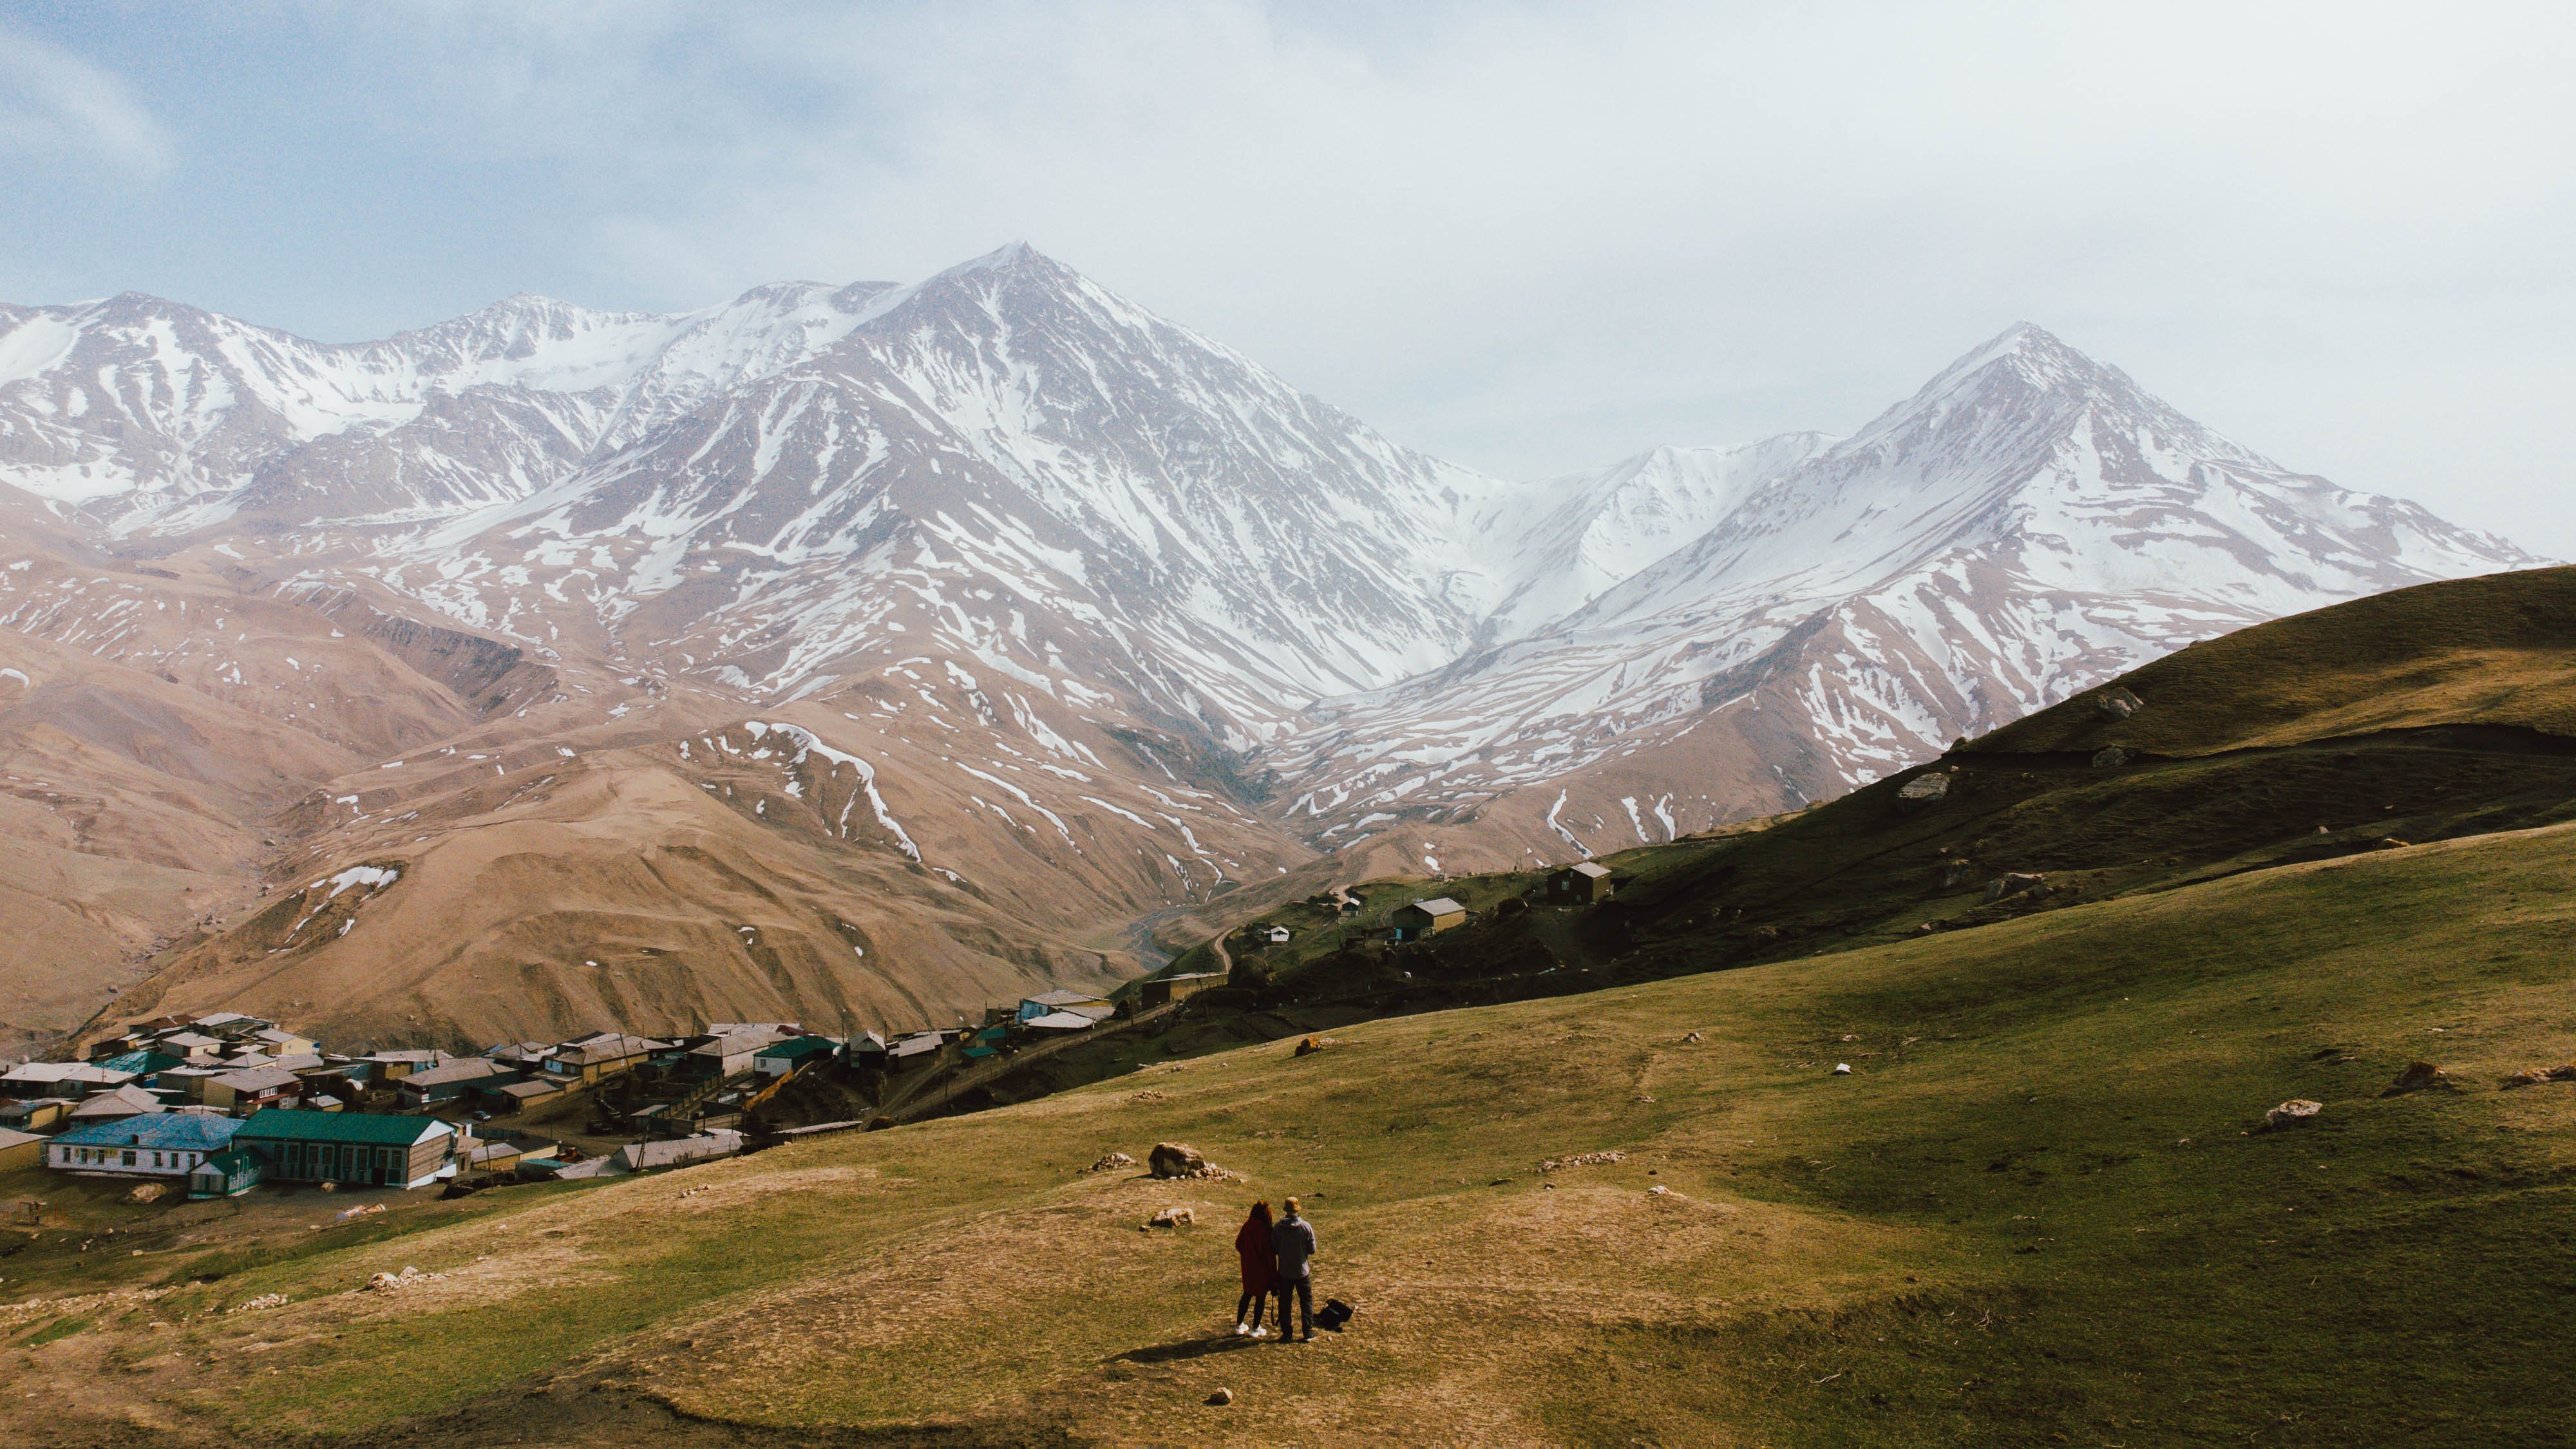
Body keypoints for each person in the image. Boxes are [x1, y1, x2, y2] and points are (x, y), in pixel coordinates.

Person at [1271, 1195, 1318, 1341]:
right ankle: (1308, 1332)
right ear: (1297, 1210)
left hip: (1284, 1272)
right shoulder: (1305, 1227)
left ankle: (1287, 1333)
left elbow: (1274, 1247)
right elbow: (1312, 1249)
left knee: (1285, 1303)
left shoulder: (1278, 1227)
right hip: (1302, 1271)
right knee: (1306, 1301)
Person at [1233, 1201, 1274, 1337]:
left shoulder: (1247, 1226)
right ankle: (1255, 1327)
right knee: (1260, 1298)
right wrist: (1274, 1276)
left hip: (1248, 1267)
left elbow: (1238, 1244)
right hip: (1261, 1270)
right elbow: (1270, 1256)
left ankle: (1239, 1324)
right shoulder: (1265, 1230)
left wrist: (1247, 1255)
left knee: (1247, 1294)